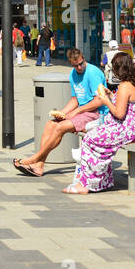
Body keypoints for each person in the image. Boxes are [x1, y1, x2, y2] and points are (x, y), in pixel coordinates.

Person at [65, 54, 135, 194]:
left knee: (89, 139)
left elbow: (119, 113)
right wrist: (111, 96)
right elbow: (126, 105)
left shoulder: (125, 86)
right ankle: (102, 180)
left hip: (127, 129)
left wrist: (106, 101)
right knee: (92, 135)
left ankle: (89, 183)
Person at [14, 48, 105, 177]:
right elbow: (75, 99)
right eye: (75, 65)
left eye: (81, 63)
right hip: (83, 112)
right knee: (50, 124)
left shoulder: (93, 73)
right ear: (71, 64)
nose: (79, 67)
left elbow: (99, 101)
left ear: (83, 58)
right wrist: (62, 113)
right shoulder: (73, 75)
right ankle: (39, 165)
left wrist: (76, 111)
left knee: (60, 127)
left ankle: (34, 158)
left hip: (97, 114)